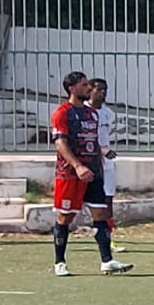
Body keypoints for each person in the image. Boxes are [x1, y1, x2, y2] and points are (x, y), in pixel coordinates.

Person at [49, 70, 132, 276]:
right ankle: (60, 262)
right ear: (72, 88)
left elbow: (93, 143)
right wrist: (78, 166)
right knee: (66, 217)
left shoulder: (92, 114)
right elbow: (60, 143)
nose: (89, 88)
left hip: (93, 173)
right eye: (84, 85)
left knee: (100, 214)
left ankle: (107, 260)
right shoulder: (62, 112)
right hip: (70, 174)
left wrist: (98, 168)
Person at [85, 77, 122, 248]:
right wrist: (100, 151)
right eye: (99, 89)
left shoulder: (108, 113)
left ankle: (109, 238)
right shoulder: (83, 112)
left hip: (106, 162)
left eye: (105, 89)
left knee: (108, 198)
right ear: (90, 90)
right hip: (88, 162)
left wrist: (105, 151)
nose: (103, 93)